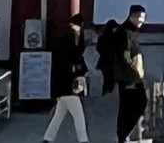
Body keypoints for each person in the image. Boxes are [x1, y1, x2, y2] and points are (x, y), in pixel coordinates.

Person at [42, 15, 90, 143]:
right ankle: (83, 140)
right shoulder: (74, 38)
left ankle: (48, 138)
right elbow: (77, 56)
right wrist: (81, 71)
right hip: (70, 83)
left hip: (60, 83)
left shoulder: (61, 39)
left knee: (60, 112)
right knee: (78, 114)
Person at [113, 5, 149, 143]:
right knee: (138, 102)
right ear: (132, 16)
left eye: (143, 17)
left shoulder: (131, 32)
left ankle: (123, 135)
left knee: (128, 105)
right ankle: (123, 134)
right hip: (129, 77)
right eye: (139, 17)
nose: (141, 20)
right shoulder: (125, 33)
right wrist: (135, 70)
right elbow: (125, 56)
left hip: (131, 76)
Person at [95, 20, 122, 96]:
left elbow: (98, 49)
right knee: (111, 81)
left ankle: (106, 94)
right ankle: (109, 94)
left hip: (104, 63)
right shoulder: (115, 38)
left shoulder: (102, 37)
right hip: (112, 63)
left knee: (106, 80)